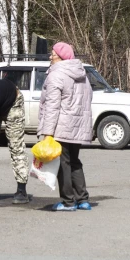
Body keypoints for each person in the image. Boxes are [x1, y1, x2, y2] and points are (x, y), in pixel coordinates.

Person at [37, 42, 94, 211]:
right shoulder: (82, 74)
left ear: (61, 57)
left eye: (52, 54)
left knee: (63, 164)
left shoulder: (56, 75)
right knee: (75, 161)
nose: (50, 57)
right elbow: (88, 99)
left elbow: (52, 106)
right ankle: (82, 199)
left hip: (60, 127)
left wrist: (47, 132)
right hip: (77, 126)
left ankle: (68, 201)